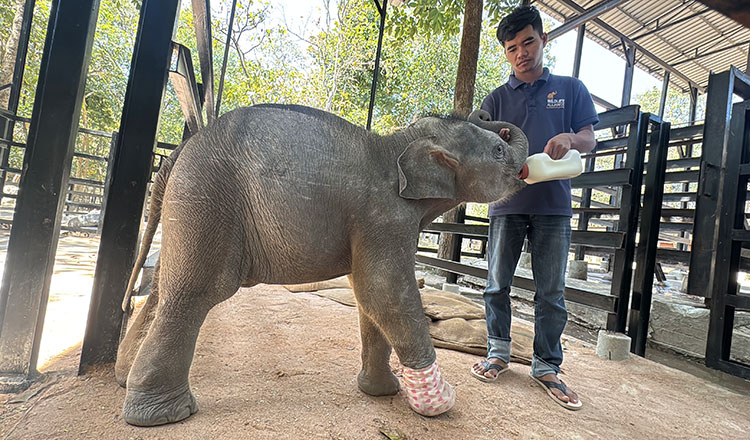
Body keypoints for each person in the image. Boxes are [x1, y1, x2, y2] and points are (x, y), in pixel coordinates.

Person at [469, 5, 598, 411]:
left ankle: (546, 366)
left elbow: (590, 140)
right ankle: (497, 352)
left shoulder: (571, 89)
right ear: (505, 54)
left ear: (544, 40)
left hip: (554, 205)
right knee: (495, 285)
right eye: (512, 48)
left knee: (551, 292)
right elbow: (477, 139)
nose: (521, 52)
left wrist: (572, 140)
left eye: (528, 42)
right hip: (507, 204)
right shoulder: (496, 98)